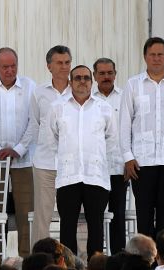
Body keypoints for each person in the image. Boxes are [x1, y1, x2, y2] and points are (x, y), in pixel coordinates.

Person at [120, 37, 164, 239]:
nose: (156, 58)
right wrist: (127, 156)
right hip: (141, 163)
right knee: (144, 217)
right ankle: (146, 261)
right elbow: (125, 123)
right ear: (145, 57)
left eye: (160, 54)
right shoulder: (133, 85)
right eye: (152, 54)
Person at [47, 65, 117, 258]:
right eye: (77, 78)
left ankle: (96, 265)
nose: (82, 81)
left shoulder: (104, 108)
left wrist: (96, 156)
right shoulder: (57, 107)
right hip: (68, 176)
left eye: (86, 78)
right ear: (70, 82)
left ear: (91, 81)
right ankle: (68, 265)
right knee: (67, 225)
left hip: (96, 176)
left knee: (96, 225)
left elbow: (111, 139)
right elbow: (52, 139)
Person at [0, 47, 36, 257]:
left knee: (26, 211)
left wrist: (18, 149)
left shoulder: (30, 86)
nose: (10, 70)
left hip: (24, 159)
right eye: (5, 67)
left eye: (13, 66)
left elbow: (34, 122)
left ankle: (27, 257)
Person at [30, 45, 72, 246]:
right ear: (49, 66)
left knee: (73, 216)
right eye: (59, 63)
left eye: (67, 62)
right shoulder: (39, 93)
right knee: (42, 214)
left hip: (72, 164)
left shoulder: (80, 91)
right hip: (45, 162)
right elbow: (35, 124)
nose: (64, 67)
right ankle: (39, 258)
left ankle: (75, 260)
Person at [92, 57, 127, 254]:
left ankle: (118, 257)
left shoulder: (124, 97)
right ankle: (95, 259)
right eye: (102, 73)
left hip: (118, 166)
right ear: (95, 75)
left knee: (118, 215)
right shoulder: (89, 99)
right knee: (94, 217)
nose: (106, 77)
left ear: (115, 74)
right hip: (94, 170)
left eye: (110, 73)